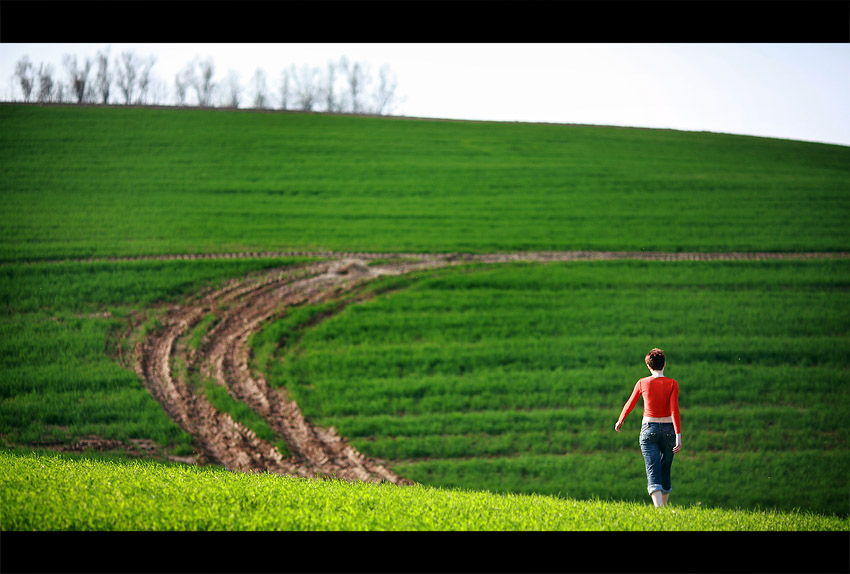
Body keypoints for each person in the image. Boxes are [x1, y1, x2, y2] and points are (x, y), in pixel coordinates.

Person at [614, 348, 682, 508]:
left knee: (652, 466)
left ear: (649, 366)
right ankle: (663, 508)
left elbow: (630, 402)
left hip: (648, 429)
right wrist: (678, 435)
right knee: (665, 467)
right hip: (668, 431)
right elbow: (674, 410)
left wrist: (620, 420)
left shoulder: (642, 382)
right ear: (664, 364)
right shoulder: (672, 384)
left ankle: (659, 508)